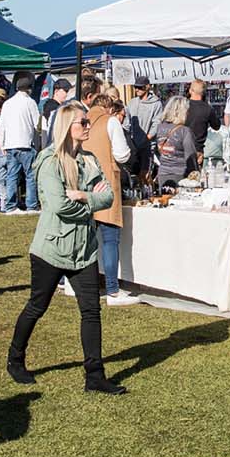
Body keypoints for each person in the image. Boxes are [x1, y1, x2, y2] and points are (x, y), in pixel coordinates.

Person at [6, 102, 126, 394]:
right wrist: (89, 203)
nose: (87, 126)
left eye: (87, 122)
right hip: (51, 249)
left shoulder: (89, 160)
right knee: (37, 305)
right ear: (67, 127)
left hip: (84, 250)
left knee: (91, 311)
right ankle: (15, 359)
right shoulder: (49, 162)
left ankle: (94, 376)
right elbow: (58, 205)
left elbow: (108, 196)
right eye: (82, 122)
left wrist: (83, 196)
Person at [86, 94, 140, 307]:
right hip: (106, 184)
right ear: (109, 107)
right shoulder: (111, 122)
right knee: (110, 239)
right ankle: (112, 290)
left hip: (84, 186)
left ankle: (72, 283)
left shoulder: (81, 119)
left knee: (85, 239)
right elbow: (123, 154)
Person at [0, 75, 42, 214]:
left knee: (12, 176)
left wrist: (2, 145)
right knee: (30, 176)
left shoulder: (7, 103)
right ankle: (31, 205)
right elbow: (37, 124)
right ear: (29, 89)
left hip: (10, 145)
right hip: (26, 144)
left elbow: (1, 126)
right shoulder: (30, 103)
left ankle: (10, 206)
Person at [151, 96, 197, 187]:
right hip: (180, 174)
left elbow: (156, 150)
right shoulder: (184, 131)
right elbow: (190, 156)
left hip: (163, 173)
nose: (188, 113)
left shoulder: (160, 128)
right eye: (187, 110)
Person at [183, 79, 219, 150]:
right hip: (197, 147)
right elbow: (216, 126)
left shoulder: (182, 105)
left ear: (191, 91)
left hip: (181, 145)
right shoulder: (207, 108)